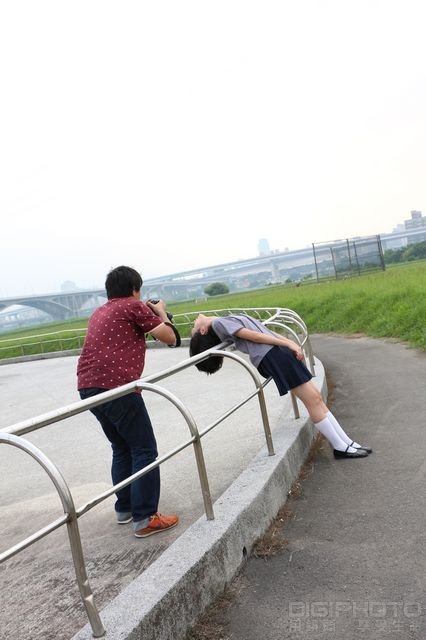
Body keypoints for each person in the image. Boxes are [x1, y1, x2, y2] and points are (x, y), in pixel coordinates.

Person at [77, 265, 180, 538]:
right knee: (144, 449)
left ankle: (125, 508)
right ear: (135, 289)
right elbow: (171, 338)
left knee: (121, 447)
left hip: (87, 387)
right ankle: (145, 517)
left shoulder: (100, 312)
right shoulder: (132, 307)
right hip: (118, 387)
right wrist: (159, 312)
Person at [189, 313, 372, 459]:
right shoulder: (219, 324)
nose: (194, 323)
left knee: (315, 397)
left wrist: (288, 343)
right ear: (203, 330)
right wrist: (287, 342)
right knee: (312, 400)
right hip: (273, 356)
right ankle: (341, 447)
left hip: (276, 353)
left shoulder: (222, 320)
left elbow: (263, 330)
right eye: (193, 329)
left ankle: (347, 443)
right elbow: (255, 336)